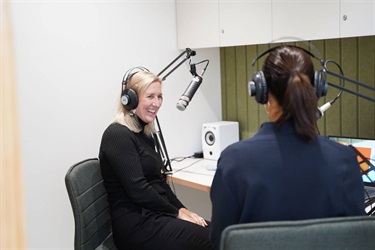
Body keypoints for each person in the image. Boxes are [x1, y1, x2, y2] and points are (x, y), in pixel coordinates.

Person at [209, 45, 366, 249]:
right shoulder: (343, 159)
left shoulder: (234, 160)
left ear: (261, 92)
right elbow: (358, 239)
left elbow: (221, 239)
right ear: (318, 90)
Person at [99, 68, 214, 250]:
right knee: (215, 239)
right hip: (136, 225)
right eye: (150, 96)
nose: (157, 103)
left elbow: (159, 182)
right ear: (131, 99)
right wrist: (176, 213)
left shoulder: (146, 133)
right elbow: (138, 190)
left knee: (218, 231)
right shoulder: (117, 134)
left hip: (156, 214)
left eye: (159, 96)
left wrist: (184, 210)